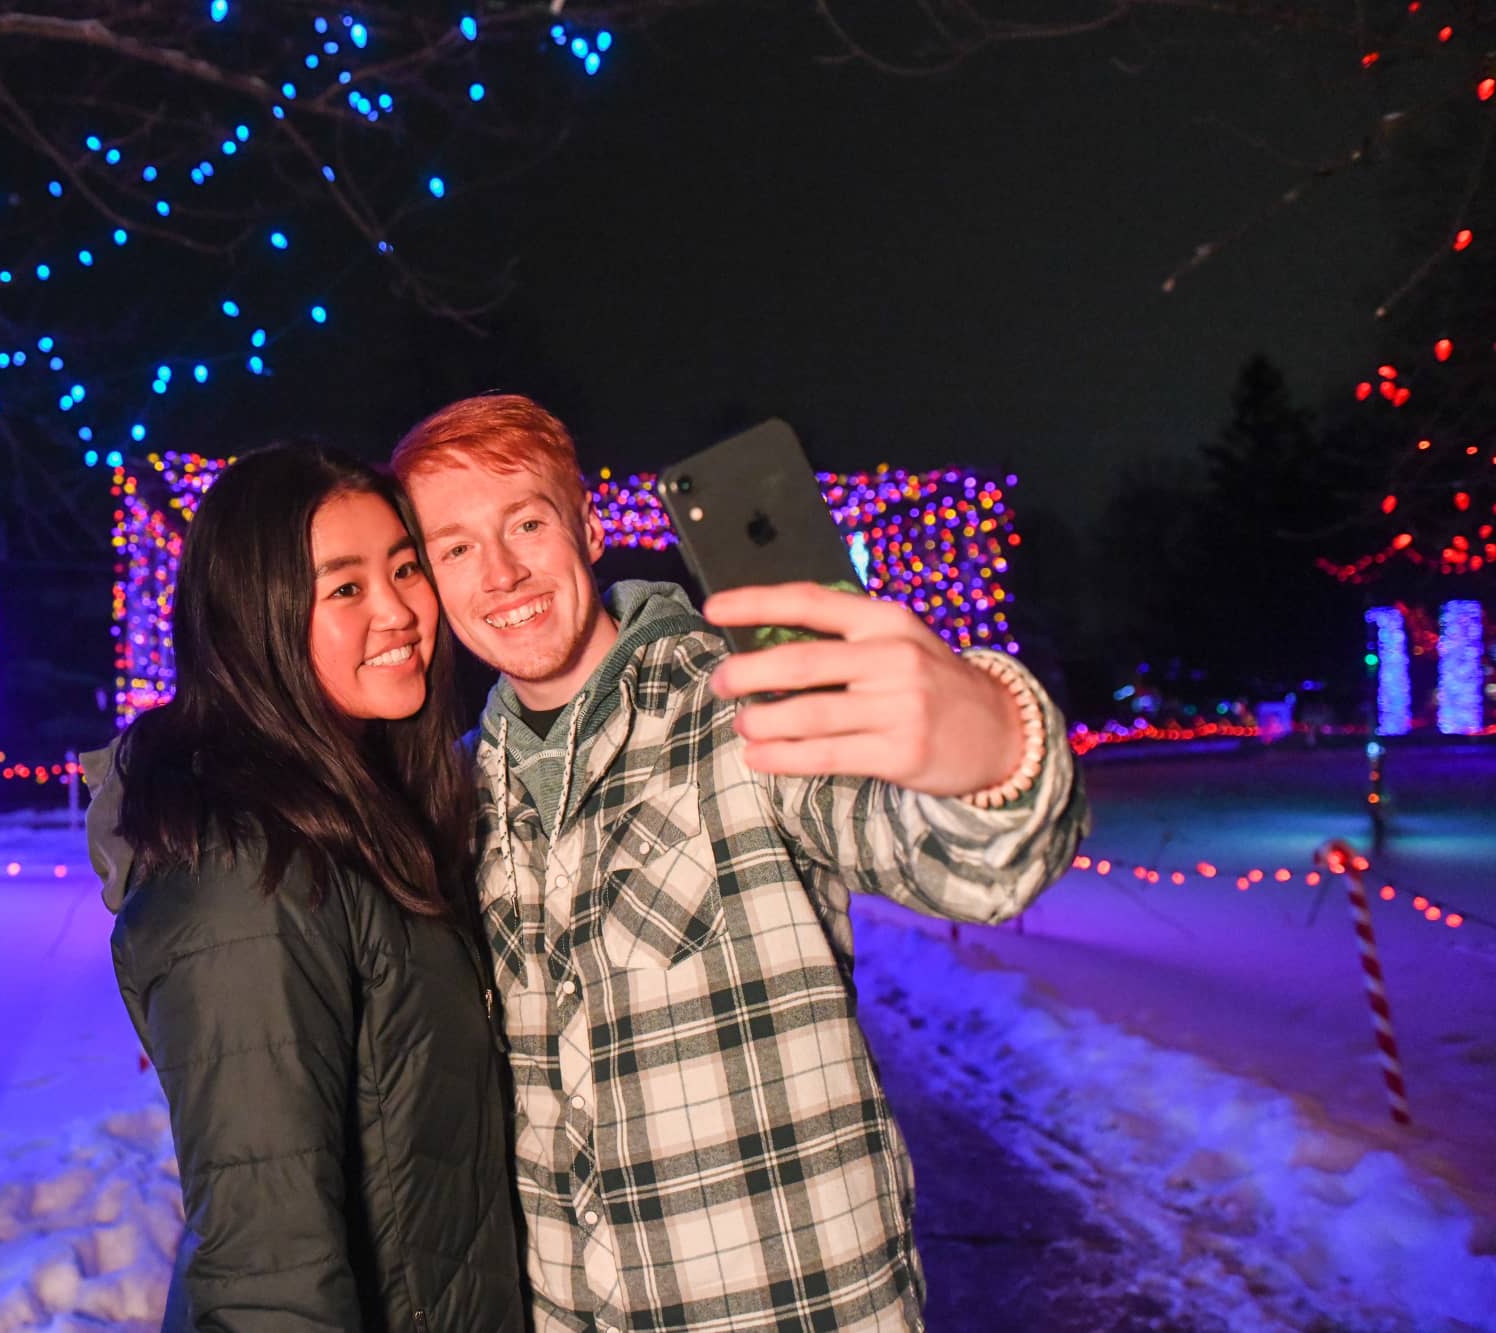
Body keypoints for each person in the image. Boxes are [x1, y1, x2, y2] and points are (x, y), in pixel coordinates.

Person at [391, 395, 1090, 1333]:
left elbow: (959, 861)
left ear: (588, 526)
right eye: (458, 547)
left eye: (525, 521)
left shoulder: (740, 701)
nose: (503, 571)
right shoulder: (461, 790)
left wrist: (995, 747)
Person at [82, 442, 526, 1332]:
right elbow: (266, 1275)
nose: (401, 611)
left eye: (406, 569)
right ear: (257, 619)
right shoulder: (248, 875)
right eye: (346, 587)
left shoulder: (365, 816)